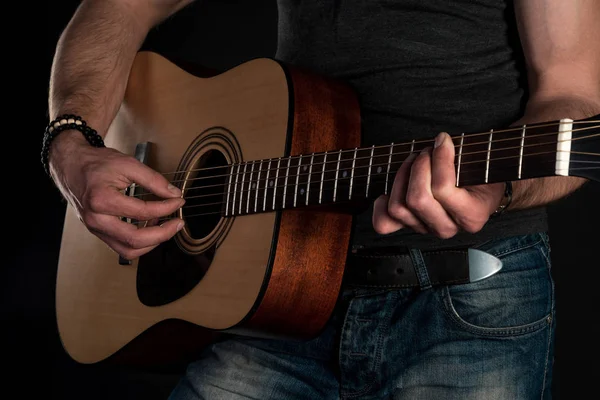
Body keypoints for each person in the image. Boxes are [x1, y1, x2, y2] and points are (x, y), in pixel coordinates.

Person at [45, 0, 599, 399]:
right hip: (280, 298)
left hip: (468, 301)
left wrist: (497, 188)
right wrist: (70, 141)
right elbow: (118, 7)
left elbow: (571, 93)